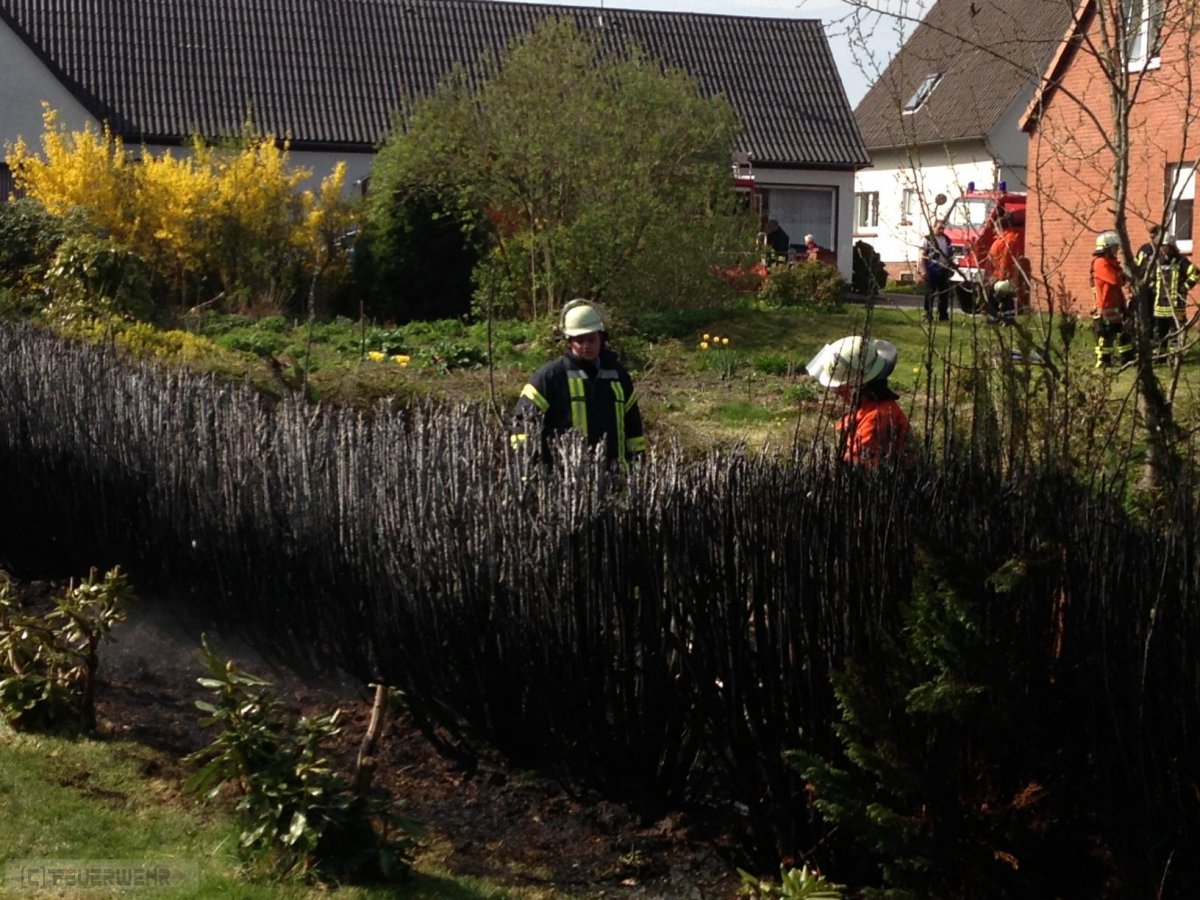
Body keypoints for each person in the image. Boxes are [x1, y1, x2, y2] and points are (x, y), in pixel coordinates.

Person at [513, 299, 646, 464]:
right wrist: (526, 464)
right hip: (564, 476)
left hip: (614, 474)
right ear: (569, 342)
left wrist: (638, 465)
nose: (586, 345)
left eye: (591, 339)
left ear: (601, 338)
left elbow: (633, 428)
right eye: (580, 340)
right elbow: (522, 421)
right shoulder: (550, 377)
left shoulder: (619, 376)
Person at [805, 335, 911, 468]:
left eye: (840, 388)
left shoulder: (877, 418)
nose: (836, 393)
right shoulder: (869, 407)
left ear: (857, 386)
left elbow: (856, 467)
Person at [1134, 227, 1199, 357]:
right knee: (1160, 330)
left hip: (1176, 305)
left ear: (1171, 246)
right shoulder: (1158, 260)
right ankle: (1160, 354)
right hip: (1160, 305)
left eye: (1165, 246)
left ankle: (1175, 355)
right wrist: (1153, 287)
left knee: (1175, 330)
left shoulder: (1181, 261)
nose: (1163, 249)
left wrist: (1185, 286)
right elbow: (1149, 277)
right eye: (1161, 246)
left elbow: (1195, 273)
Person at [1091, 230, 1132, 368]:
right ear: (1107, 247)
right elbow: (1114, 280)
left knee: (1123, 333)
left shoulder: (1112, 263)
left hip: (1115, 305)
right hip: (1105, 307)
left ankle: (1127, 359)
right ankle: (1104, 361)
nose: (1117, 250)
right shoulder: (1100, 263)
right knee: (1105, 335)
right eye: (1115, 247)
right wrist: (1124, 276)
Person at [988, 213, 1021, 319]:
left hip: (1001, 274)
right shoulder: (1003, 239)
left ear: (1000, 227)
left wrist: (1002, 276)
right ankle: (1001, 318)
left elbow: (1005, 259)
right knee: (999, 298)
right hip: (998, 272)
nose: (994, 230)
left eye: (996, 228)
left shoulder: (1007, 240)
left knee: (1001, 297)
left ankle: (1001, 319)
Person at [921, 221, 954, 322]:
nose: (941, 230)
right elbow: (921, 255)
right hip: (932, 270)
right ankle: (928, 314)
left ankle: (943, 316)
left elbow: (950, 254)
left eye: (943, 228)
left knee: (944, 295)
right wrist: (923, 270)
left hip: (944, 270)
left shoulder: (946, 239)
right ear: (933, 227)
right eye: (939, 228)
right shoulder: (927, 239)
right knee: (930, 293)